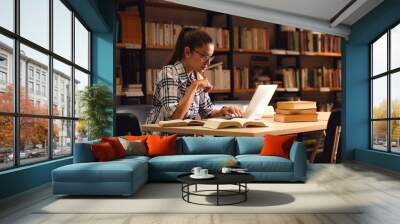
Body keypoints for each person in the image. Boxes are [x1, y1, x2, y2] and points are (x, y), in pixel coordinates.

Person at [146, 28, 243, 124]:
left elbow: (207, 112)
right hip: (162, 136)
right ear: (187, 52)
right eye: (204, 56)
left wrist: (223, 111)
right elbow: (175, 117)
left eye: (210, 57)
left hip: (186, 135)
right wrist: (194, 86)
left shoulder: (197, 76)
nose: (208, 63)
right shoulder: (168, 72)